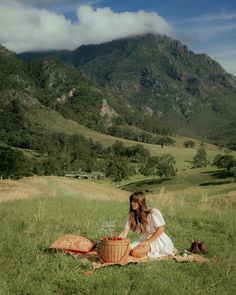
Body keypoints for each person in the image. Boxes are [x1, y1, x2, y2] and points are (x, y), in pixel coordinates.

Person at [118, 191, 176, 259]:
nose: (132, 203)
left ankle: (150, 255)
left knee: (134, 252)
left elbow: (161, 229)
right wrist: (116, 241)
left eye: (134, 201)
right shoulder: (132, 215)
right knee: (125, 251)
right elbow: (124, 232)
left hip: (157, 240)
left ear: (140, 202)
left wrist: (148, 241)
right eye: (131, 201)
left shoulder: (152, 212)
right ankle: (142, 252)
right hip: (144, 239)